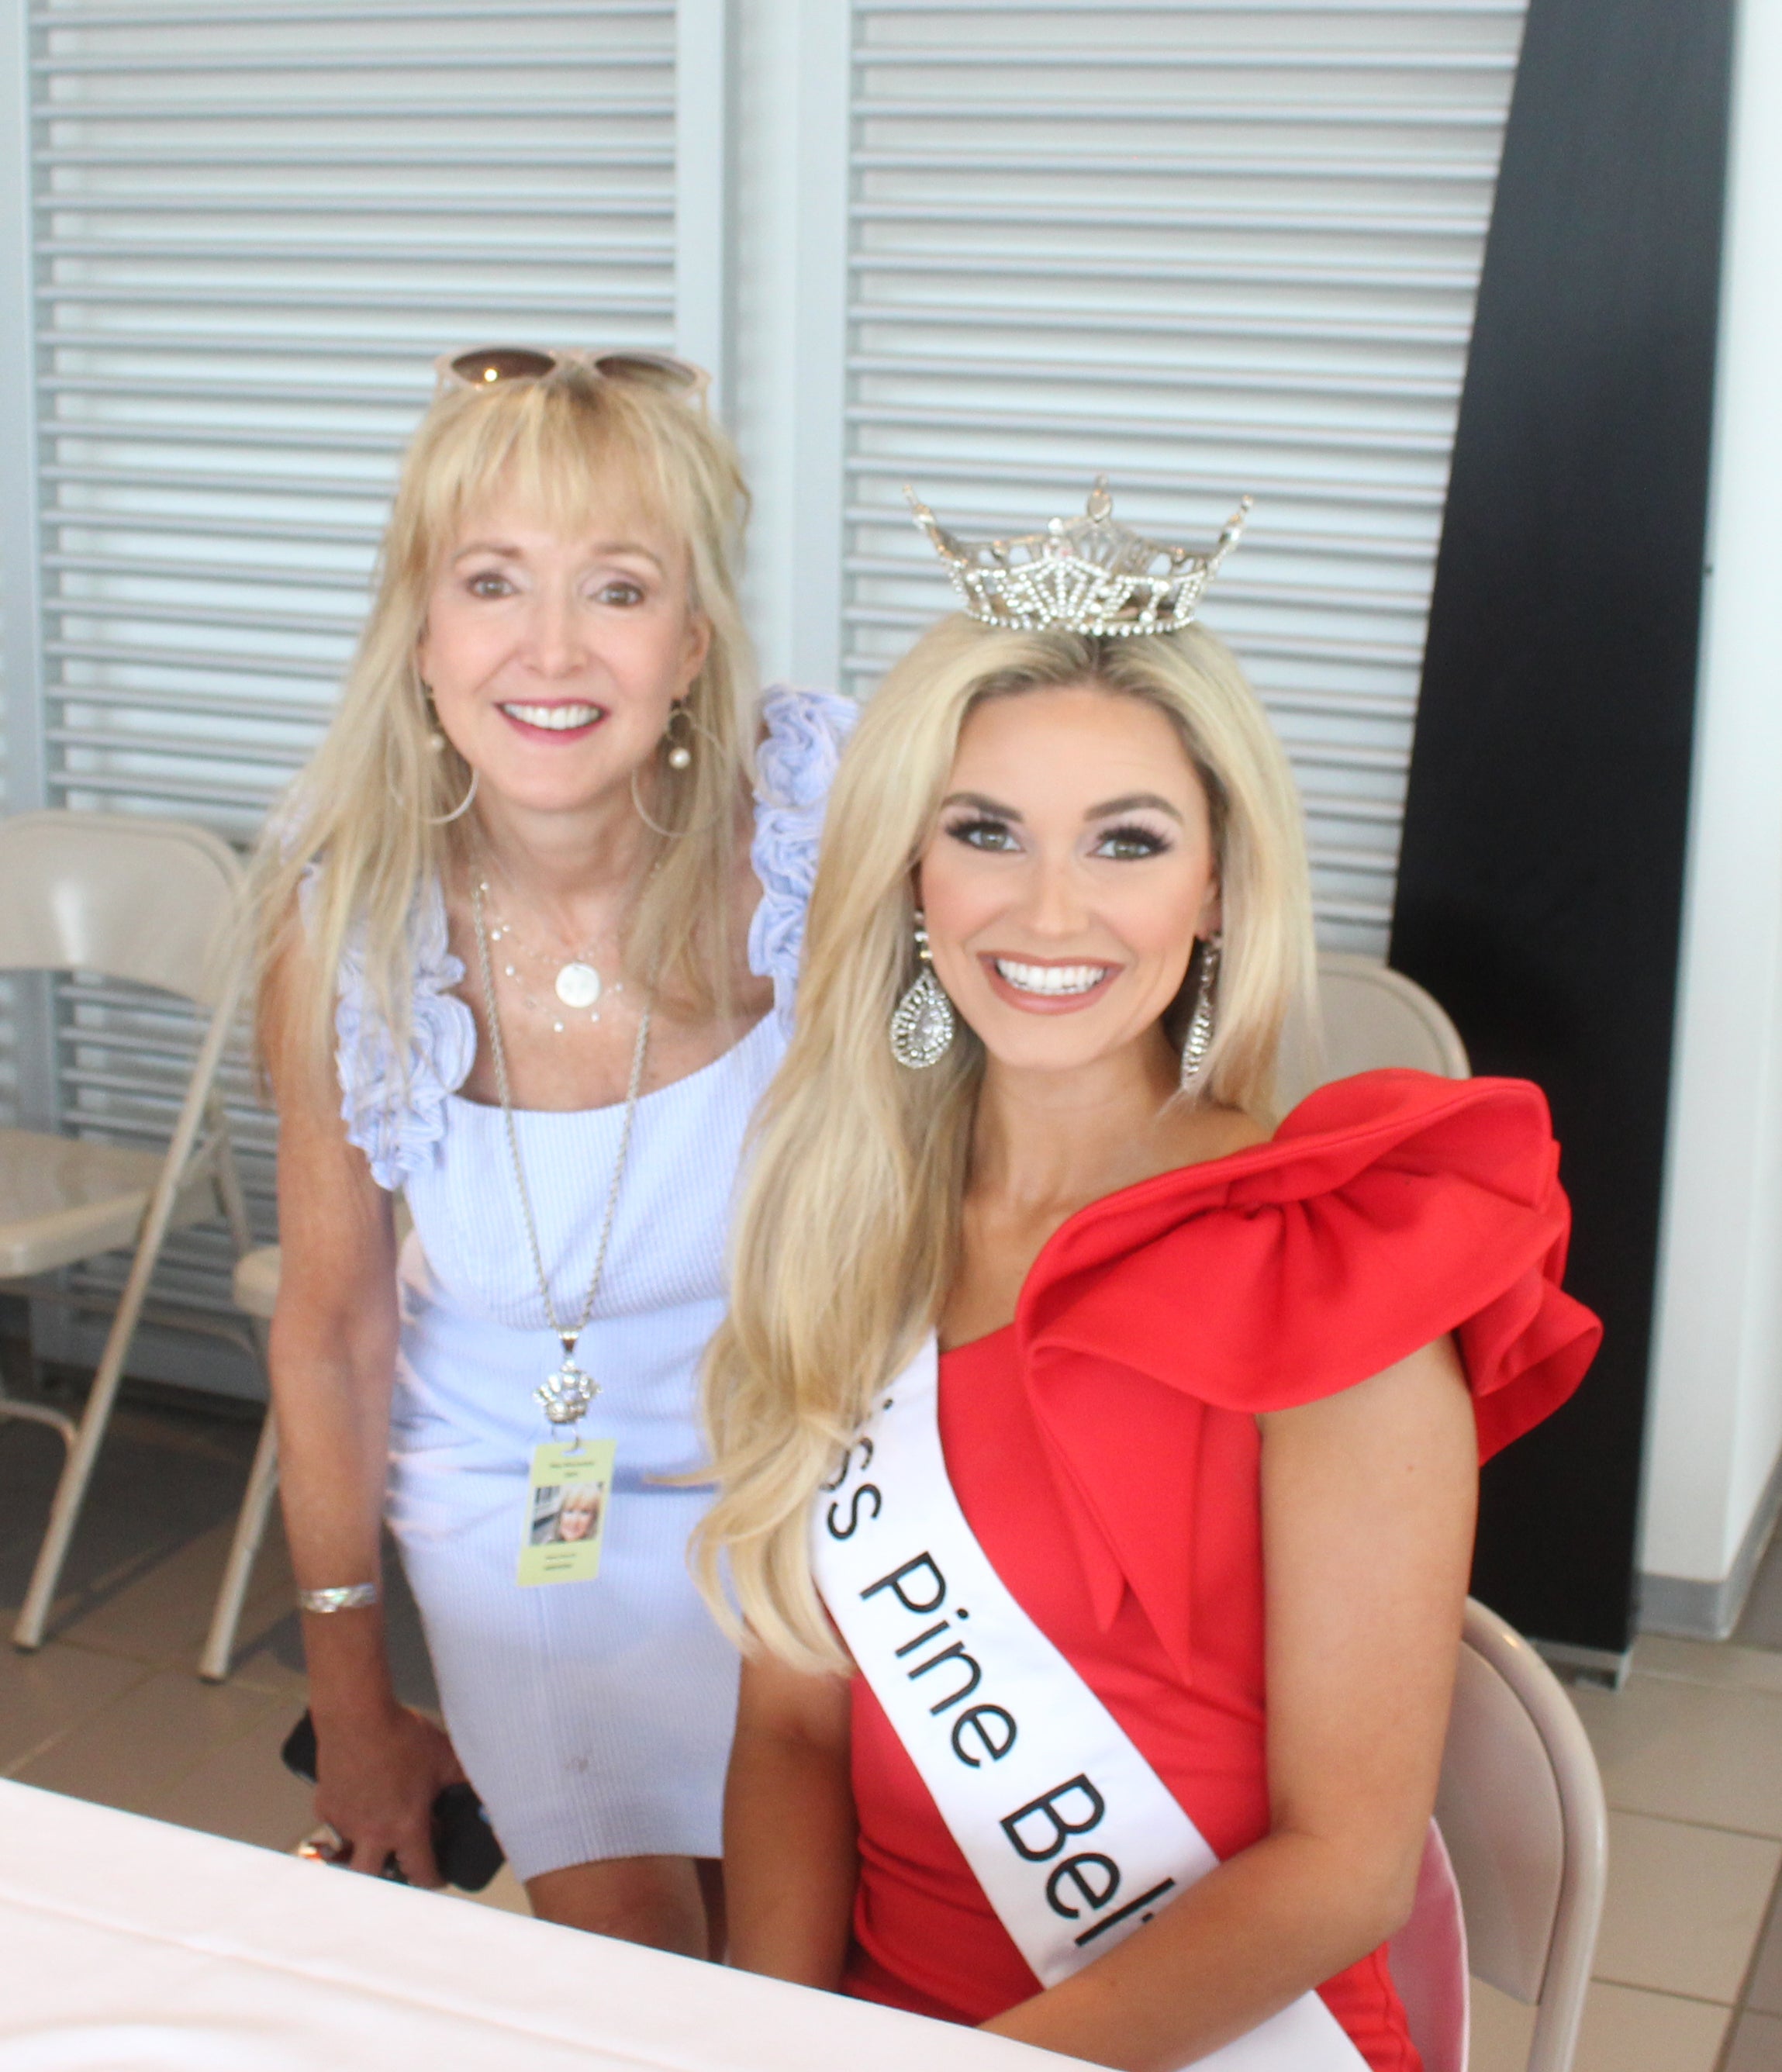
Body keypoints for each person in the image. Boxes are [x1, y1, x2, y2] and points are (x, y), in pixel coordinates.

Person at [696, 485, 1600, 2067]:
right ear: (913, 874)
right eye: (986, 832)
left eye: (1128, 840)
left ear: (1222, 888)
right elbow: (790, 1728)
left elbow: (1344, 1872)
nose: (1050, 910)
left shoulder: (1336, 1268)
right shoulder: (844, 1223)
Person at [250, 346, 852, 1953]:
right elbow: (332, 1330)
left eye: (619, 588)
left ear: (693, 643)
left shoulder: (816, 840)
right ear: (423, 632)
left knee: (806, 1962)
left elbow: (954, 1099)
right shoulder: (350, 934)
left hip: (800, 1490)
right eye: (494, 582)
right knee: (638, 1971)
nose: (552, 648)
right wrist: (352, 1692)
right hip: (524, 1516)